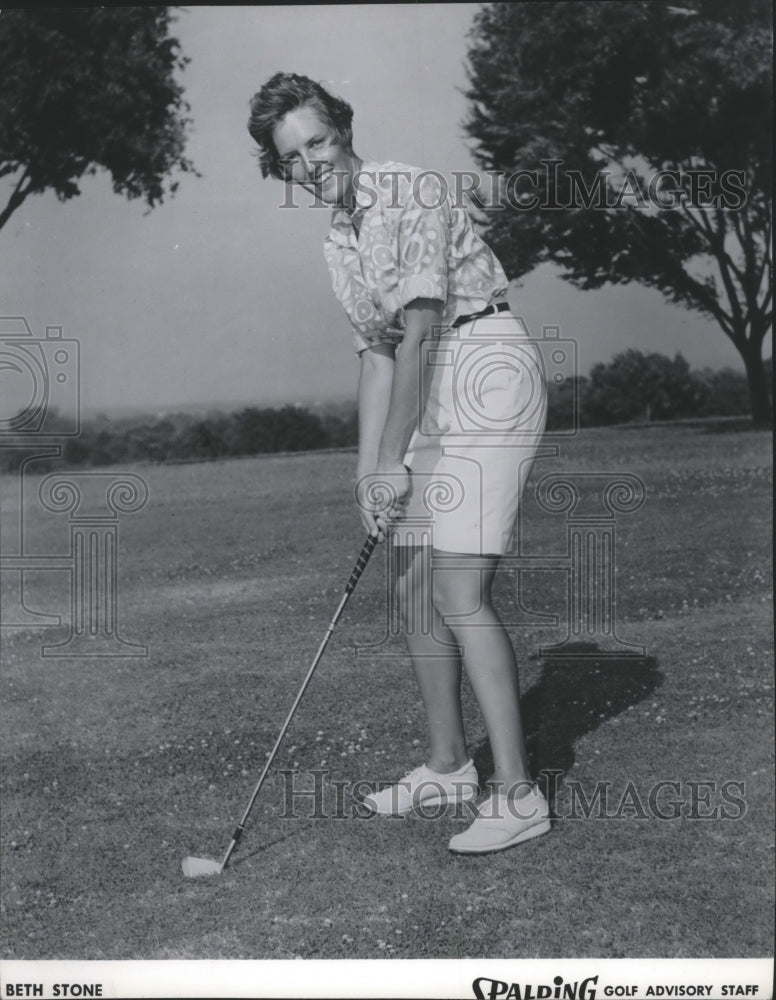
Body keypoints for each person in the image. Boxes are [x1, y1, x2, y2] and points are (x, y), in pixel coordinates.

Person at [247, 72, 550, 854]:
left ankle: (518, 795)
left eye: (317, 141)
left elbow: (419, 334)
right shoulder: (337, 238)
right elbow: (378, 358)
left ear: (343, 127)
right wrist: (368, 472)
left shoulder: (405, 189)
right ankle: (450, 766)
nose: (312, 163)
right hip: (425, 383)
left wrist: (393, 461)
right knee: (415, 587)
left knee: (457, 586)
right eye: (292, 157)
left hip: (483, 365)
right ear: (280, 171)